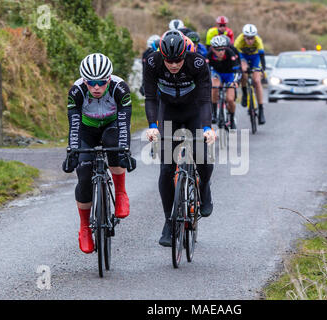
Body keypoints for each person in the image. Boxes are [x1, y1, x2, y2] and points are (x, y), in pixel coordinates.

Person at [143, 30, 216, 247]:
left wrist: (207, 127)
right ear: (161, 55)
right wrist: (153, 126)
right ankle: (169, 221)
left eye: (178, 60)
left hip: (194, 111)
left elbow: (204, 99)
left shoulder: (198, 63)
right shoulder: (152, 62)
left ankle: (204, 188)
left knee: (201, 155)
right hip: (169, 112)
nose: (173, 65)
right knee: (166, 169)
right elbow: (149, 97)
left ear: (186, 55)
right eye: (169, 60)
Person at [62, 53, 136, 254]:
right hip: (86, 130)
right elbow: (74, 125)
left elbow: (124, 124)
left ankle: (120, 193)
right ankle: (84, 227)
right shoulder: (76, 91)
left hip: (112, 126)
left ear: (109, 79)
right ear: (85, 81)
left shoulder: (120, 89)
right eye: (92, 83)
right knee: (84, 175)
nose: (96, 87)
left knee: (116, 148)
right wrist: (72, 152)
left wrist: (125, 151)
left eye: (101, 82)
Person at [234, 24, 267, 125]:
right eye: (248, 38)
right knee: (243, 71)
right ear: (244, 36)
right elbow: (235, 56)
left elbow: (262, 58)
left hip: (255, 57)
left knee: (257, 81)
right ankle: (244, 93)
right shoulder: (238, 41)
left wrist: (262, 70)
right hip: (242, 56)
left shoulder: (258, 41)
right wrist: (238, 68)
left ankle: (261, 110)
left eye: (252, 38)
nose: (250, 40)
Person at [206, 35, 241, 128]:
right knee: (214, 87)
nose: (220, 52)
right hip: (218, 74)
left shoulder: (230, 53)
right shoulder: (209, 55)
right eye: (217, 49)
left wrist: (236, 81)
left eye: (222, 49)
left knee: (230, 99)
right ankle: (213, 113)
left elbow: (238, 70)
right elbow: (205, 71)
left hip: (230, 74)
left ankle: (232, 118)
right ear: (213, 49)